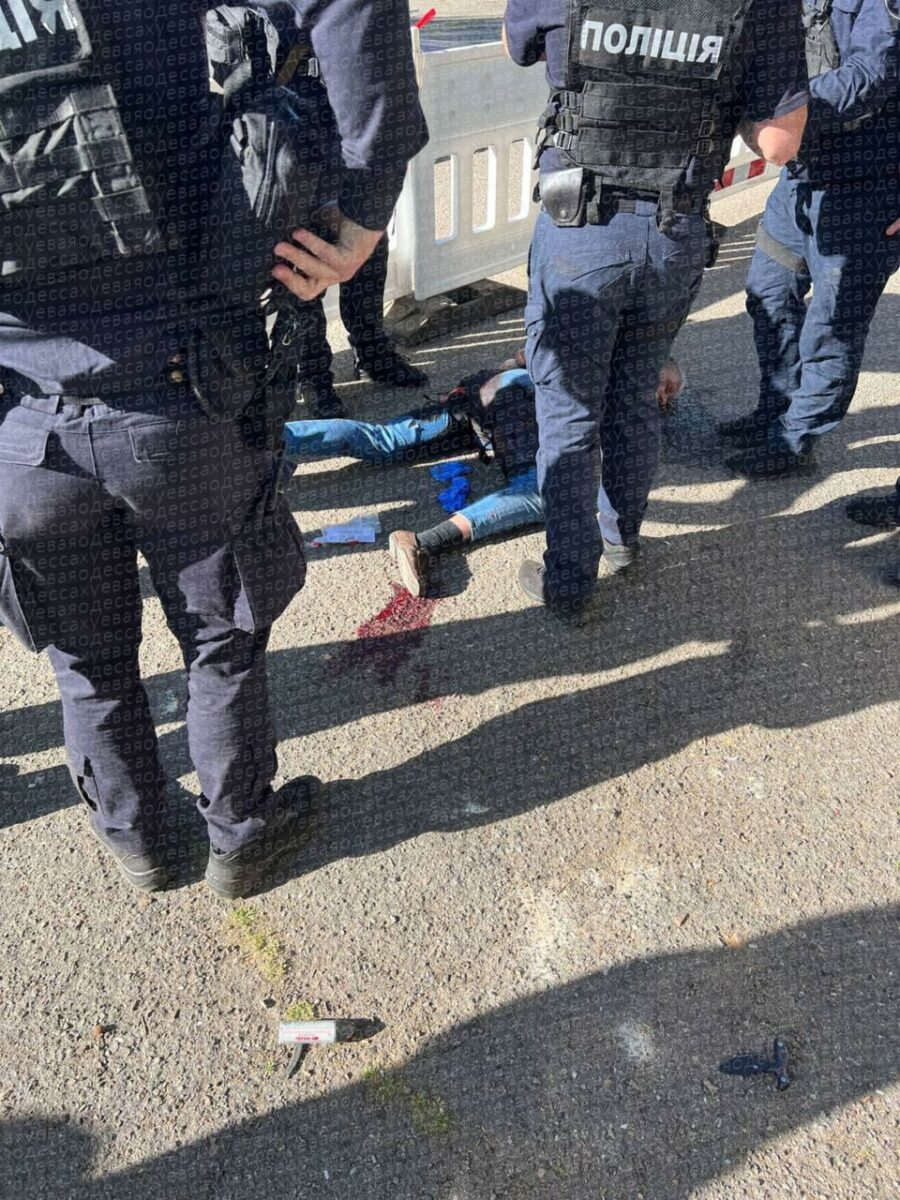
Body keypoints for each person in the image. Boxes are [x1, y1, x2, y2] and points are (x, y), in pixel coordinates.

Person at [0, 0, 426, 898]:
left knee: (86, 665)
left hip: (24, 430)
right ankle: (241, 836)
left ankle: (140, 844)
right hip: (182, 400)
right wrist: (366, 208)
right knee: (221, 643)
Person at [503, 1, 808, 617]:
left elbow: (520, 45)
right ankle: (621, 541)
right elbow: (780, 143)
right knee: (636, 393)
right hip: (674, 231)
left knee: (568, 415)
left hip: (579, 228)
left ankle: (569, 583)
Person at [284, 356, 684, 596]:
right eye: (666, 387)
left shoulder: (615, 369)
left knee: (383, 440)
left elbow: (520, 359)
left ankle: (266, 439)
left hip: (486, 396)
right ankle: (423, 543)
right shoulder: (619, 378)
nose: (665, 396)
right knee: (545, 493)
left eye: (668, 398)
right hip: (513, 401)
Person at [720, 0, 900, 477]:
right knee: (768, 293)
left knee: (832, 326)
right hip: (803, 175)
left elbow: (869, 75)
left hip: (868, 187)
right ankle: (776, 412)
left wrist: (783, 112)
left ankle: (795, 440)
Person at [267, 6, 427, 419]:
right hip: (290, 127)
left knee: (369, 245)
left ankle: (372, 351)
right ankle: (314, 378)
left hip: (347, 123)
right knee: (303, 257)